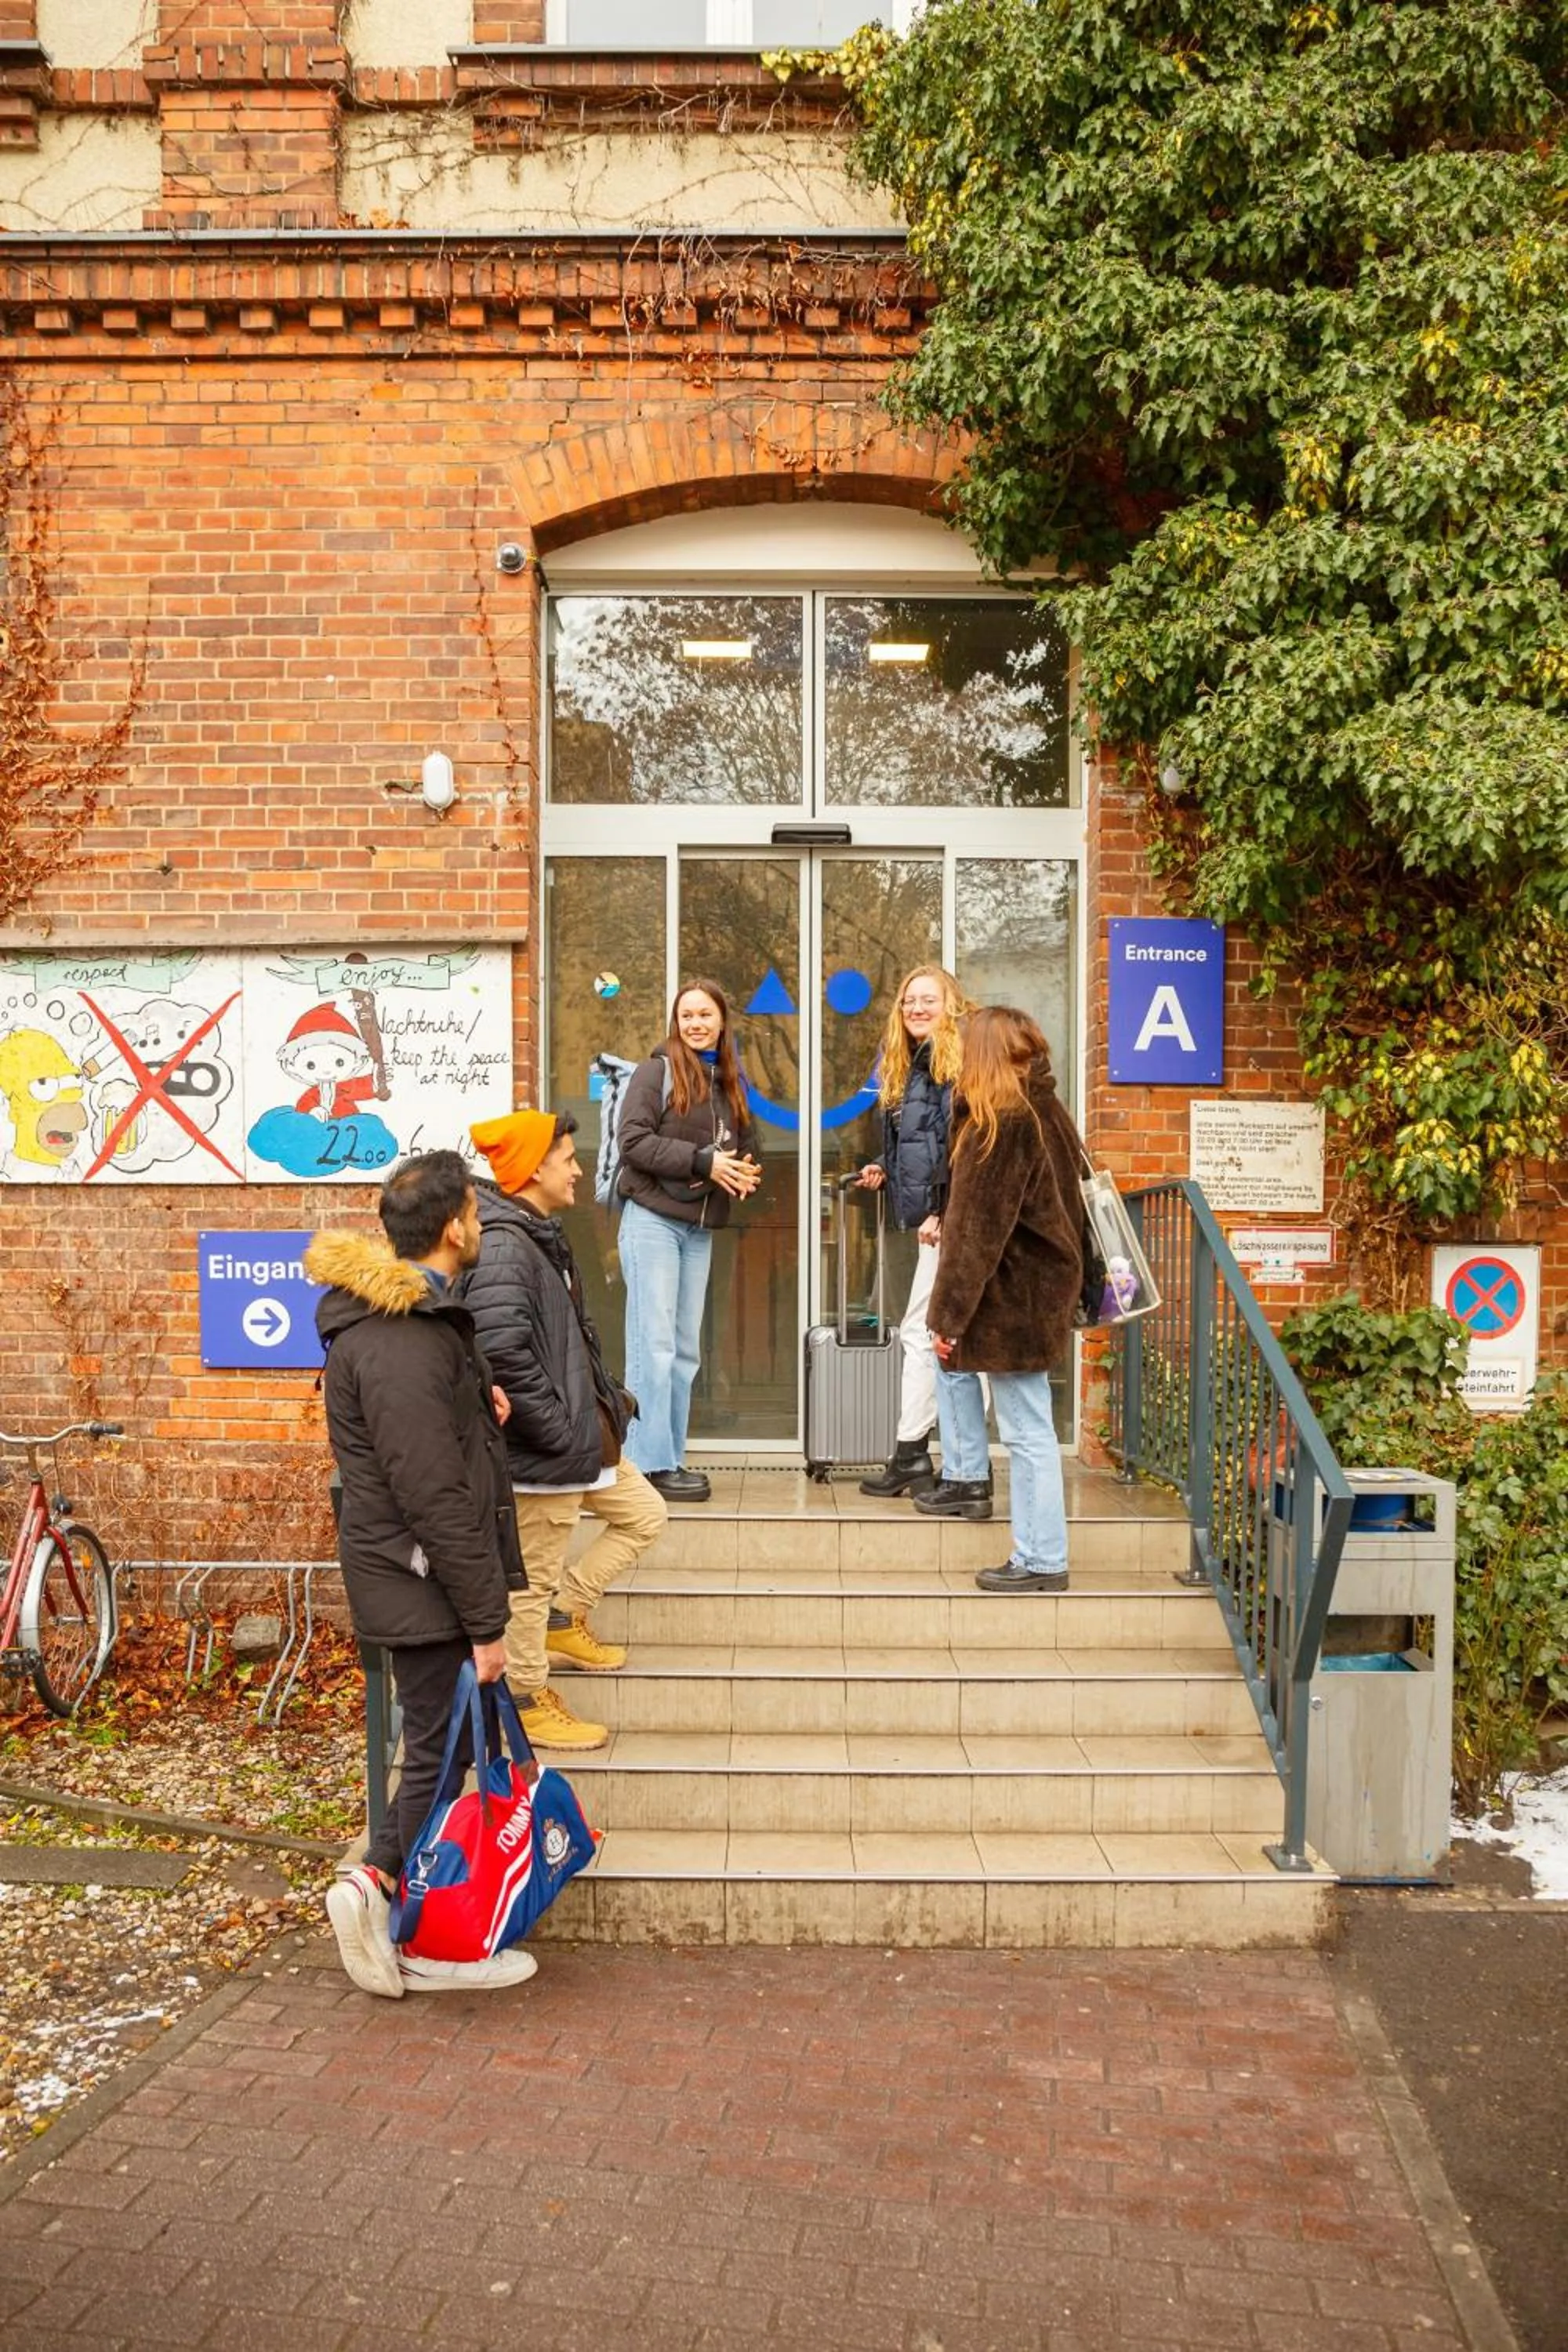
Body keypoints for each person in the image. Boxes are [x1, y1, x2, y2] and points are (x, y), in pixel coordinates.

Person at [307, 1149, 538, 1999]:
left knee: (443, 1749)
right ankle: (388, 1903)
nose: (479, 1224)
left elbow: (428, 1446)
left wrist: (482, 1404)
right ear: (452, 1227)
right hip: (421, 1577)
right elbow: (431, 1491)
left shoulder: (406, 1326)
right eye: (475, 1212)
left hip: (414, 1573)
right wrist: (486, 1621)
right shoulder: (402, 1335)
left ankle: (412, 1912)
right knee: (438, 1756)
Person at [461, 1106, 667, 1753]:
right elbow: (502, 1354)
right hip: (543, 1455)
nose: (579, 1170)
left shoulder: (534, 1234)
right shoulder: (502, 1246)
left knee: (644, 1514)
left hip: (577, 1442)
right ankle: (525, 1701)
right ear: (532, 1170)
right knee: (529, 1581)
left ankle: (564, 1614)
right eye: (568, 1160)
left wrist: (604, 1406)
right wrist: (556, 1430)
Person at [920, 1007, 1086, 1594]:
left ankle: (1041, 1559)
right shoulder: (1048, 1111)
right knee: (1030, 1427)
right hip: (1042, 1289)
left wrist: (946, 1319)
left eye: (964, 1050)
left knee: (1026, 1432)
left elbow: (974, 1233)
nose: (957, 1061)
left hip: (1015, 1294)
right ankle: (1043, 1553)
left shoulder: (1002, 1122)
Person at [616, 978, 760, 1502]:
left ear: (722, 1021)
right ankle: (645, 1467)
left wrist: (742, 1172)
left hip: (698, 1229)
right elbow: (632, 1142)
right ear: (676, 1023)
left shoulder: (730, 1082)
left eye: (705, 1015)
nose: (696, 1023)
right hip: (652, 1220)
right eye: (687, 1016)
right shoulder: (655, 1071)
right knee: (650, 1347)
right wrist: (703, 1161)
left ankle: (668, 1457)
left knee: (683, 1352)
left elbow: (742, 1146)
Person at [855, 964, 971, 1497]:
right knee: (936, 1334)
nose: (917, 1009)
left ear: (951, 1006)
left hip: (949, 1221)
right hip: (932, 1218)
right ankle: (935, 1458)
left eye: (929, 1000)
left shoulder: (957, 1065)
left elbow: (962, 1147)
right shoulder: (914, 1066)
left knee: (928, 1334)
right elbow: (919, 1143)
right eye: (909, 1002)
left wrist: (942, 1210)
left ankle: (925, 1457)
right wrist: (885, 1164)